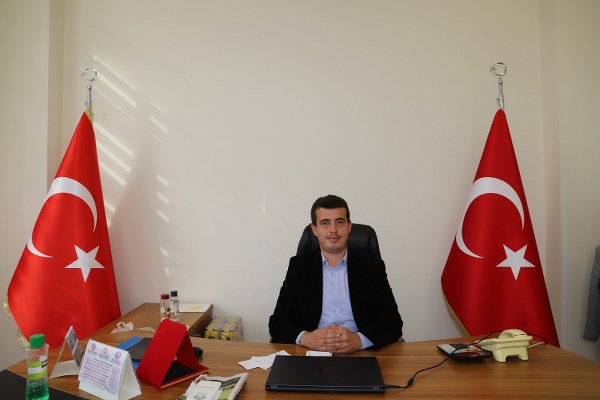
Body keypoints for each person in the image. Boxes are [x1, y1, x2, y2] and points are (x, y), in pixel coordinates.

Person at [268, 194, 403, 354]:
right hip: (313, 355)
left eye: (340, 222)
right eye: (325, 223)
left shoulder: (372, 267)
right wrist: (307, 338)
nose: (333, 230)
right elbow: (278, 323)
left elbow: (393, 323)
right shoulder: (299, 266)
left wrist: (359, 340)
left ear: (349, 227)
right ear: (314, 229)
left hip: (360, 354)